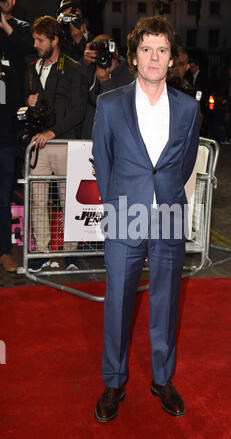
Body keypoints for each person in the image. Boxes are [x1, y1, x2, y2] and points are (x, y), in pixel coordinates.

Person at [92, 15, 200, 422]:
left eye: (162, 50)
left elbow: (184, 163)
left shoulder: (189, 109)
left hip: (169, 214)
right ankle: (114, 381)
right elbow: (103, 161)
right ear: (134, 56)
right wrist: (117, 203)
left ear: (172, 58)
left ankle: (161, 377)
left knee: (166, 301)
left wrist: (166, 195)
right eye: (146, 49)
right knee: (118, 301)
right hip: (125, 215)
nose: (154, 57)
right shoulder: (110, 103)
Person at [25, 16, 87, 272]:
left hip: (63, 142)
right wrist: (27, 104)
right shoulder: (32, 68)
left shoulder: (74, 68)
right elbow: (29, 108)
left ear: (54, 40)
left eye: (41, 40)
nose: (37, 44)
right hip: (37, 145)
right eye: (35, 40)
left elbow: (79, 110)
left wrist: (53, 132)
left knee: (68, 200)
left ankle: (70, 253)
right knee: (38, 199)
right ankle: (41, 252)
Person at [0, 0, 34, 272]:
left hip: (6, 132)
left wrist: (3, 23)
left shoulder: (20, 30)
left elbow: (26, 51)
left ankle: (3, 251)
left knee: (3, 195)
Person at [80, 33, 133, 139]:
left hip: (114, 141)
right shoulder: (90, 69)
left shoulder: (129, 76)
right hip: (87, 140)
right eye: (99, 54)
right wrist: (84, 62)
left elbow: (121, 111)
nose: (103, 57)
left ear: (115, 52)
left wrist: (105, 82)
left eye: (106, 53)